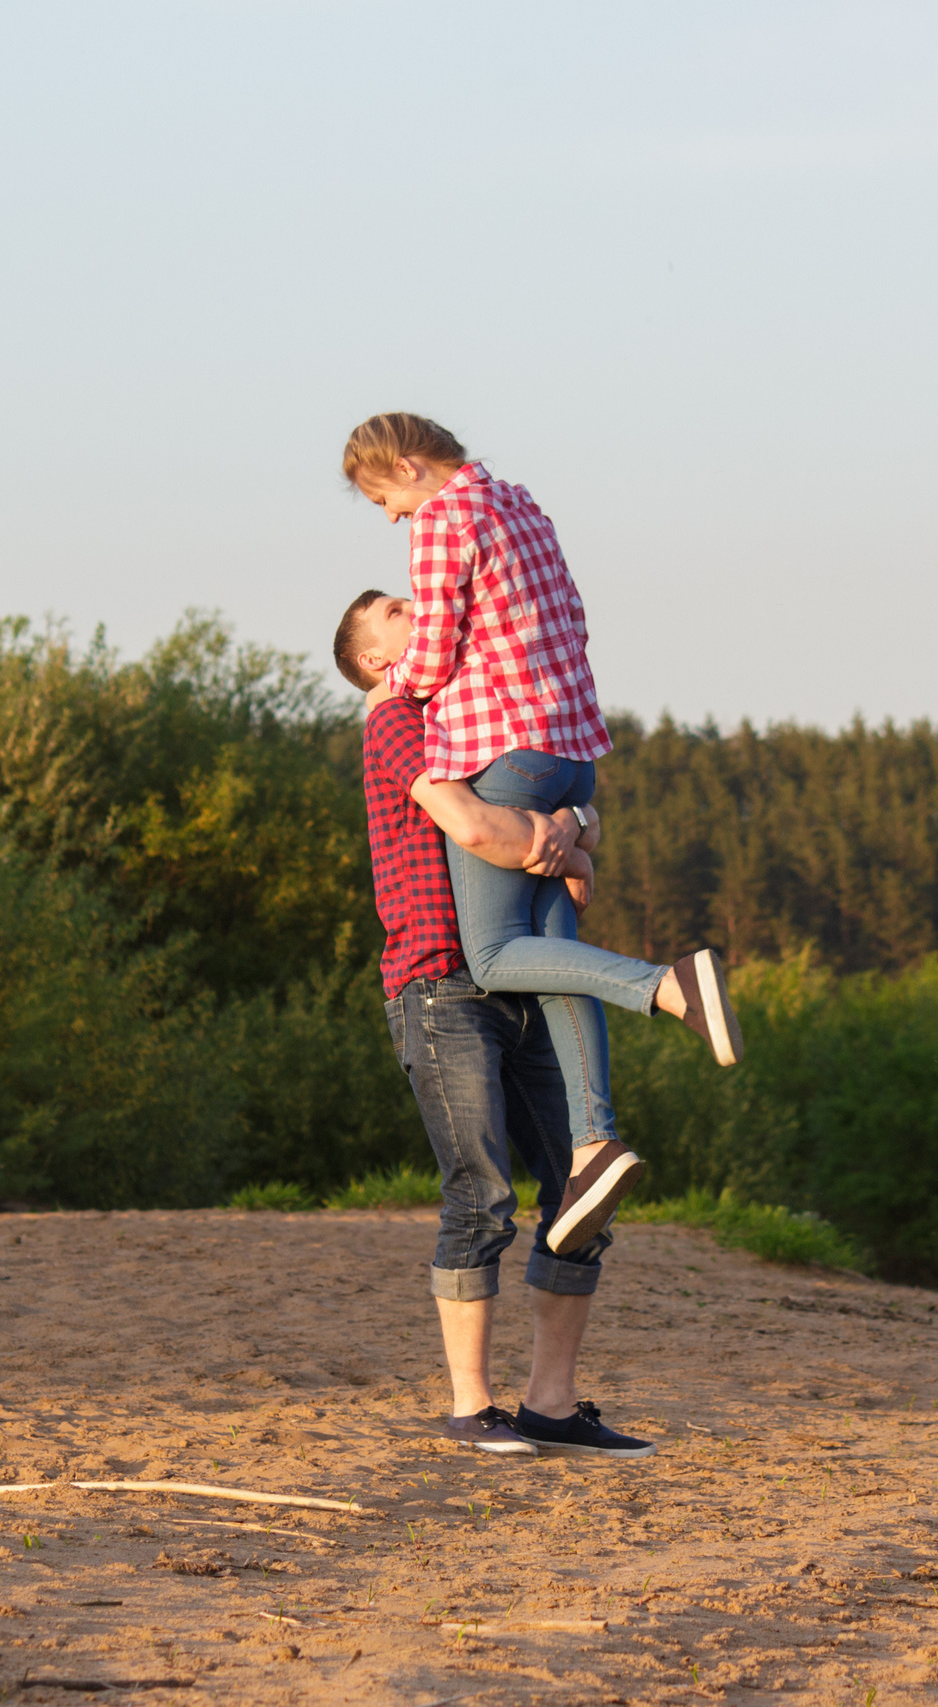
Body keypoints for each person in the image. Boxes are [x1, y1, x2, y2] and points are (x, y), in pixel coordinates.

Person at [331, 418, 740, 1258]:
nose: (391, 519)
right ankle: (595, 1142)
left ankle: (669, 986)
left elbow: (436, 655)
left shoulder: (446, 521)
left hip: (503, 748)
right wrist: (574, 832)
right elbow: (572, 622)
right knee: (555, 956)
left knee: (495, 954)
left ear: (407, 467)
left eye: (385, 498)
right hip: (570, 754)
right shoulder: (519, 502)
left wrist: (389, 692)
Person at [343, 605, 655, 1459]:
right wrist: (572, 847)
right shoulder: (399, 722)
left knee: (581, 1194)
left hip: (522, 978)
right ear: (374, 656)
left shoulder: (461, 717)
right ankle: (471, 1404)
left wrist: (575, 825)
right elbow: (479, 827)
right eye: (397, 613)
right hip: (444, 982)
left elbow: (546, 800)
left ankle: (551, 1403)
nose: (423, 611)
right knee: (480, 1192)